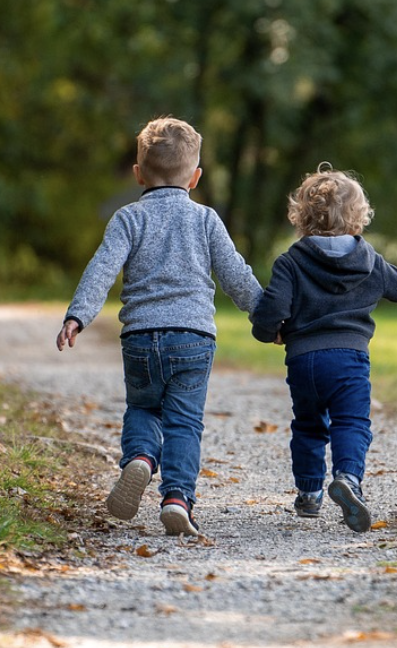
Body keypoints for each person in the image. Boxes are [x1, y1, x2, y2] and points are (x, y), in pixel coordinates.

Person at [56, 116, 261, 536]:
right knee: (184, 422)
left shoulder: (128, 219)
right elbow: (235, 275)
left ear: (137, 174)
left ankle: (141, 458)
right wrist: (267, 316)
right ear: (196, 177)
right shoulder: (206, 220)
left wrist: (78, 315)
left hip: (140, 338)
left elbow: (101, 270)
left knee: (143, 407)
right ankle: (177, 499)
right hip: (194, 339)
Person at [250, 164, 397, 532]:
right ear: (357, 220)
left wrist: (269, 333)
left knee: (308, 425)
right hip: (350, 361)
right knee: (351, 422)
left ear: (301, 218)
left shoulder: (290, 261)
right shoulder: (369, 262)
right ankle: (348, 478)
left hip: (303, 362)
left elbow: (272, 310)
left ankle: (309, 493)